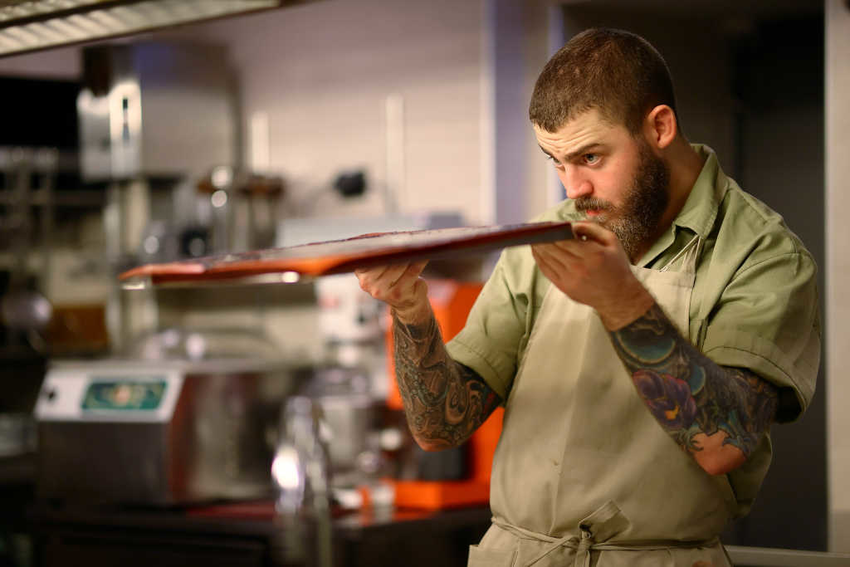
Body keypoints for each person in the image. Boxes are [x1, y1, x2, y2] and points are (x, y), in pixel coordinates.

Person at [356, 28, 820, 567]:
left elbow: (723, 443)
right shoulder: (545, 239)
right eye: (557, 162)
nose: (572, 189)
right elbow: (440, 426)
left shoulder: (762, 254)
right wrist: (410, 309)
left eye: (591, 157)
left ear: (660, 127)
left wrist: (621, 301)